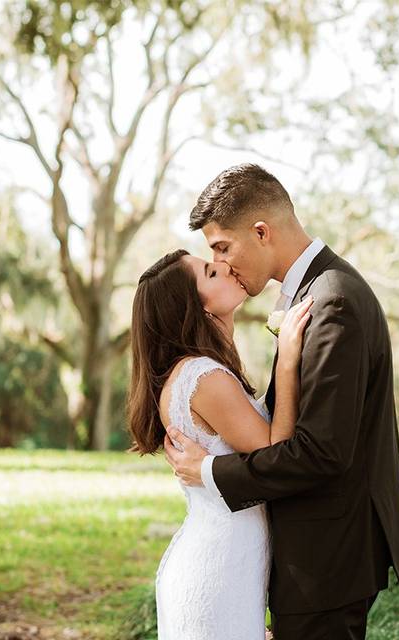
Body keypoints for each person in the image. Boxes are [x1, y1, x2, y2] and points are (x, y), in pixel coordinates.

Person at [163, 163, 399, 640]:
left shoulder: (332, 300)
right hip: (315, 553)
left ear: (261, 231)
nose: (221, 261)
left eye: (222, 247)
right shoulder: (311, 293)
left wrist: (212, 473)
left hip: (327, 555)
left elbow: (322, 452)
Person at [126, 246, 313, 639]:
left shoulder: (204, 370)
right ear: (194, 309)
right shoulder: (203, 376)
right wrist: (289, 360)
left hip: (229, 569)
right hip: (217, 573)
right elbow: (275, 453)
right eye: (211, 273)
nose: (226, 267)